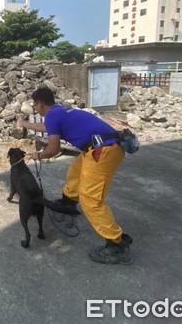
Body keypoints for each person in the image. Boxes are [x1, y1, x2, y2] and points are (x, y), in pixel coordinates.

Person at [16, 86, 133, 265]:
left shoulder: (53, 115)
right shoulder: (59, 111)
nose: (34, 107)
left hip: (103, 150)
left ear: (39, 104)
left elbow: (53, 149)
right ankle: (68, 202)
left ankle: (117, 244)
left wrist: (38, 155)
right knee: (75, 172)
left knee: (91, 200)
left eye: (34, 104)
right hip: (101, 146)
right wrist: (23, 123)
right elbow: (45, 127)